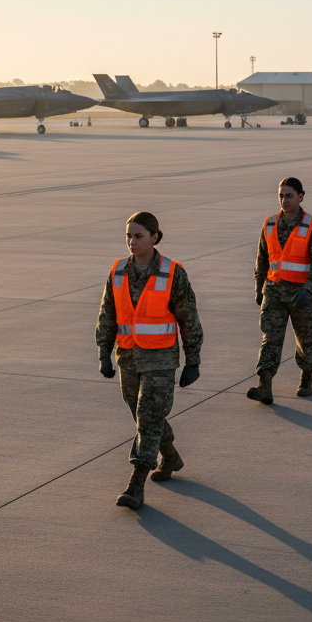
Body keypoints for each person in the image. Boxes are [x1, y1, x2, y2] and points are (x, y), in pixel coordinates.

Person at [96, 211, 203, 509]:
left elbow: (188, 318)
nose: (132, 241)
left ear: (155, 237)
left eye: (138, 236)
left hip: (161, 359)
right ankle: (169, 456)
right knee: (145, 418)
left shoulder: (172, 273)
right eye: (128, 235)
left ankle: (136, 483)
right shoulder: (117, 270)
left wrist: (193, 359)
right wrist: (104, 352)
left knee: (149, 418)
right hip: (127, 357)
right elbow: (108, 314)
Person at [247, 177, 312, 403]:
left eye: (289, 195)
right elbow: (262, 258)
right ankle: (265, 385)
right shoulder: (270, 223)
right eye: (281, 195)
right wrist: (258, 287)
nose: (284, 200)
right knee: (270, 338)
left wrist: (309, 289)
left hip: (301, 295)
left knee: (305, 337)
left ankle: (306, 376)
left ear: (301, 196)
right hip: (273, 293)